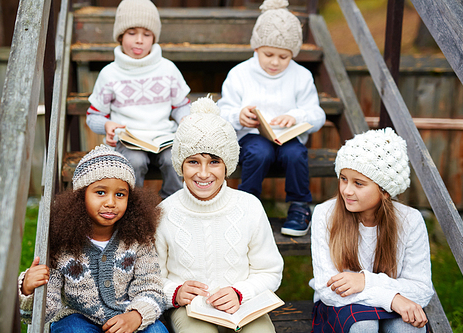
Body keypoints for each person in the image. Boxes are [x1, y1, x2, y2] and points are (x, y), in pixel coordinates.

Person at [156, 97, 284, 333]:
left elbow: (269, 270)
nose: (203, 173)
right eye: (193, 161)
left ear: (227, 165)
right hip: (191, 309)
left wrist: (240, 292)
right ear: (180, 165)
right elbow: (152, 277)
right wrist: (174, 292)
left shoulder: (249, 206)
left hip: (243, 304)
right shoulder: (165, 213)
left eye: (214, 161)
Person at [17, 145, 168, 333]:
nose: (111, 203)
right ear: (81, 196)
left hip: (126, 314)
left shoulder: (138, 239)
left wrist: (135, 316)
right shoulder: (62, 242)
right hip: (78, 318)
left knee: (157, 331)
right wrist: (28, 290)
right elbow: (43, 313)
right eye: (100, 192)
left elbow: (151, 288)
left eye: (120, 194)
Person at [217, 0, 326, 237]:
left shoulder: (301, 76)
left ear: (292, 54)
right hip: (252, 138)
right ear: (256, 48)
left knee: (296, 154)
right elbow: (222, 111)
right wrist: (239, 116)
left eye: (284, 57)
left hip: (287, 139)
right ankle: (248, 205)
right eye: (268, 54)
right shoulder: (240, 74)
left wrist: (296, 117)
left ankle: (299, 206)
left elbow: (317, 114)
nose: (275, 62)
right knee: (259, 153)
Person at [309, 128, 434, 333]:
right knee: (363, 326)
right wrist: (391, 298)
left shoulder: (410, 221)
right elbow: (328, 289)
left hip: (396, 301)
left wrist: (365, 281)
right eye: (343, 178)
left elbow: (421, 289)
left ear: (385, 191)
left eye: (359, 183)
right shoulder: (325, 214)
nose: (347, 191)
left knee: (408, 327)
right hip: (342, 304)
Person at [86, 0, 191, 199]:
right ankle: (135, 206)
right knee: (135, 161)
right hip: (129, 139)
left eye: (147, 34)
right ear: (120, 36)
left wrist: (184, 118)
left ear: (154, 37)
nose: (139, 40)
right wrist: (107, 124)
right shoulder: (110, 74)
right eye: (132, 33)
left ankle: (173, 202)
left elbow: (181, 105)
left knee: (173, 160)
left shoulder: (167, 69)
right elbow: (93, 115)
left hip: (163, 137)